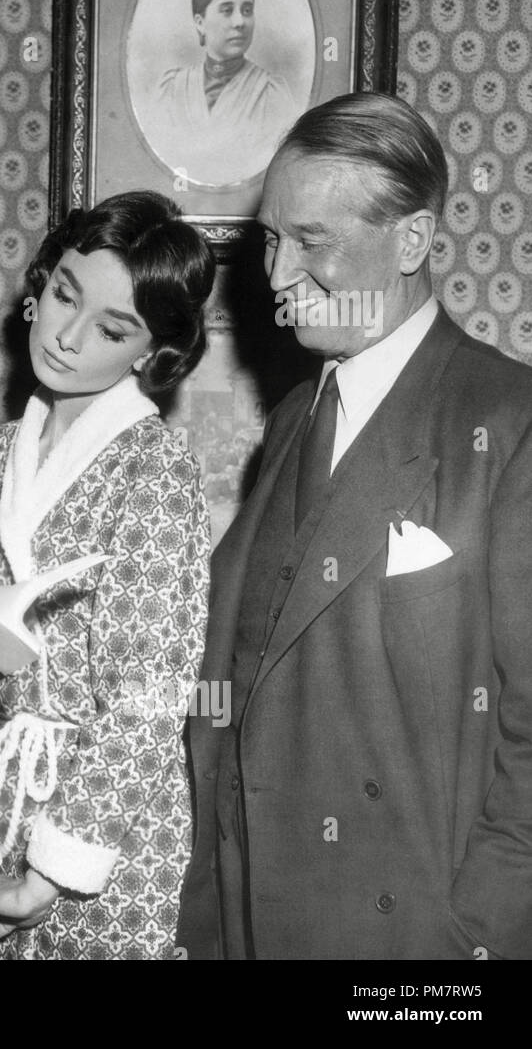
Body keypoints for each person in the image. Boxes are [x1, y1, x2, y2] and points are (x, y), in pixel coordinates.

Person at [176, 91, 532, 960]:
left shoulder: (510, 422)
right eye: (271, 239)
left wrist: (474, 941)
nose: (274, 273)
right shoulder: (299, 412)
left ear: (410, 240)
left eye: (313, 241)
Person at [0, 191, 215, 958]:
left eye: (112, 329)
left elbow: (148, 702)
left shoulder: (156, 467)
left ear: (152, 353)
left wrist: (48, 877)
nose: (68, 336)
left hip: (106, 848)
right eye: (64, 296)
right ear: (40, 285)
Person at [149, 0, 300, 186]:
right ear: (200, 23)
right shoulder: (170, 88)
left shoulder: (272, 93)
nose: (240, 21)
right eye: (227, 10)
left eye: (247, 10)